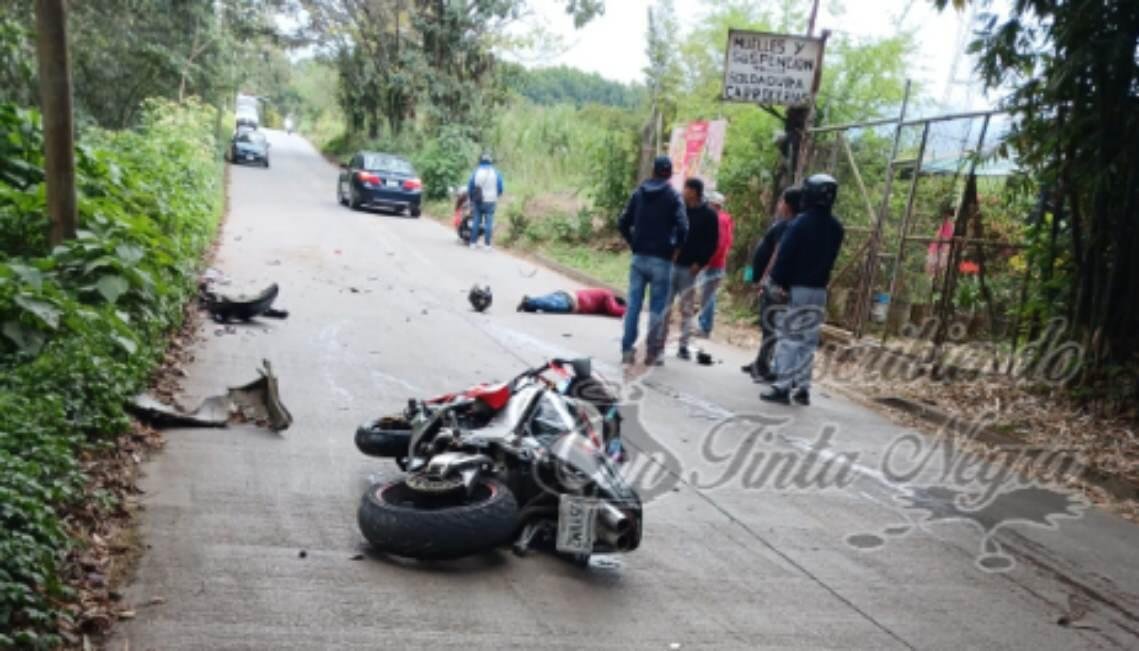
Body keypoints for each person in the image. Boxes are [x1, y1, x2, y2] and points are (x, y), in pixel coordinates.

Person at [760, 174, 844, 406]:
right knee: (808, 340)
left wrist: (780, 282)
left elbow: (786, 255)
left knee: (790, 337)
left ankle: (783, 387)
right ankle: (803, 387)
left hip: (798, 287)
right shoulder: (837, 228)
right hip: (820, 290)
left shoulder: (800, 222)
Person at [617, 155, 689, 366]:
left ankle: (627, 351)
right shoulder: (674, 197)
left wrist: (634, 243)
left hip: (639, 258)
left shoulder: (638, 194)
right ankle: (652, 353)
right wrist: (675, 248)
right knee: (658, 309)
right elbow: (684, 227)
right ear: (669, 174)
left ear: (653, 171)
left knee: (633, 307)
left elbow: (622, 222)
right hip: (662, 260)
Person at [742, 185, 802, 381]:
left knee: (770, 326)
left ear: (788, 204)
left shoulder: (788, 226)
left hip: (774, 283)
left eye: (781, 201)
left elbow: (776, 254)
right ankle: (760, 362)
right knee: (768, 326)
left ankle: (765, 366)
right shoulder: (783, 224)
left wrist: (764, 279)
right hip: (772, 282)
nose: (778, 204)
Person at [661, 178, 719, 361]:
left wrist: (700, 263)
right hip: (672, 264)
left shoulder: (709, 215)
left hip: (690, 269)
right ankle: (659, 342)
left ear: (694, 192)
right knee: (664, 307)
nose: (683, 191)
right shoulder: (678, 209)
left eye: (686, 188)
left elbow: (712, 243)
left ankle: (683, 345)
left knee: (686, 309)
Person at [697, 190, 734, 337]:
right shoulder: (725, 219)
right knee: (707, 295)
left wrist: (706, 260)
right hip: (715, 262)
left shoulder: (719, 219)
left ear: (713, 204)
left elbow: (720, 244)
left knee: (709, 296)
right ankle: (703, 322)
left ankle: (705, 326)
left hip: (713, 263)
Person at [467, 154, 504, 250]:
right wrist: (497, 195)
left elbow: (471, 186)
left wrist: (471, 198)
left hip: (478, 200)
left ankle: (473, 243)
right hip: (491, 201)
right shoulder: (496, 173)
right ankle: (487, 245)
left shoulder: (476, 172)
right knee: (489, 223)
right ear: (491, 162)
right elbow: (500, 187)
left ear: (480, 161)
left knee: (476, 221)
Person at [517, 288, 627, 317]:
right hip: (571, 300)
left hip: (568, 296)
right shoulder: (608, 294)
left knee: (549, 303)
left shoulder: (602, 302)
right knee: (552, 305)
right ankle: (529, 302)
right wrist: (630, 311)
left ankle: (531, 303)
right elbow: (614, 310)